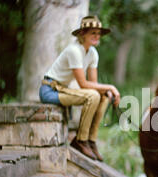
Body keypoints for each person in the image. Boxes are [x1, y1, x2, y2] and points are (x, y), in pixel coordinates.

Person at [39, 15, 120, 161]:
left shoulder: (93, 53)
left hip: (63, 89)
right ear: (83, 34)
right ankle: (80, 140)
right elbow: (84, 84)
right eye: (93, 33)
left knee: (101, 96)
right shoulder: (74, 51)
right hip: (50, 90)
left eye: (98, 33)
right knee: (92, 96)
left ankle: (91, 140)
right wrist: (111, 86)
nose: (97, 36)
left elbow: (93, 85)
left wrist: (107, 91)